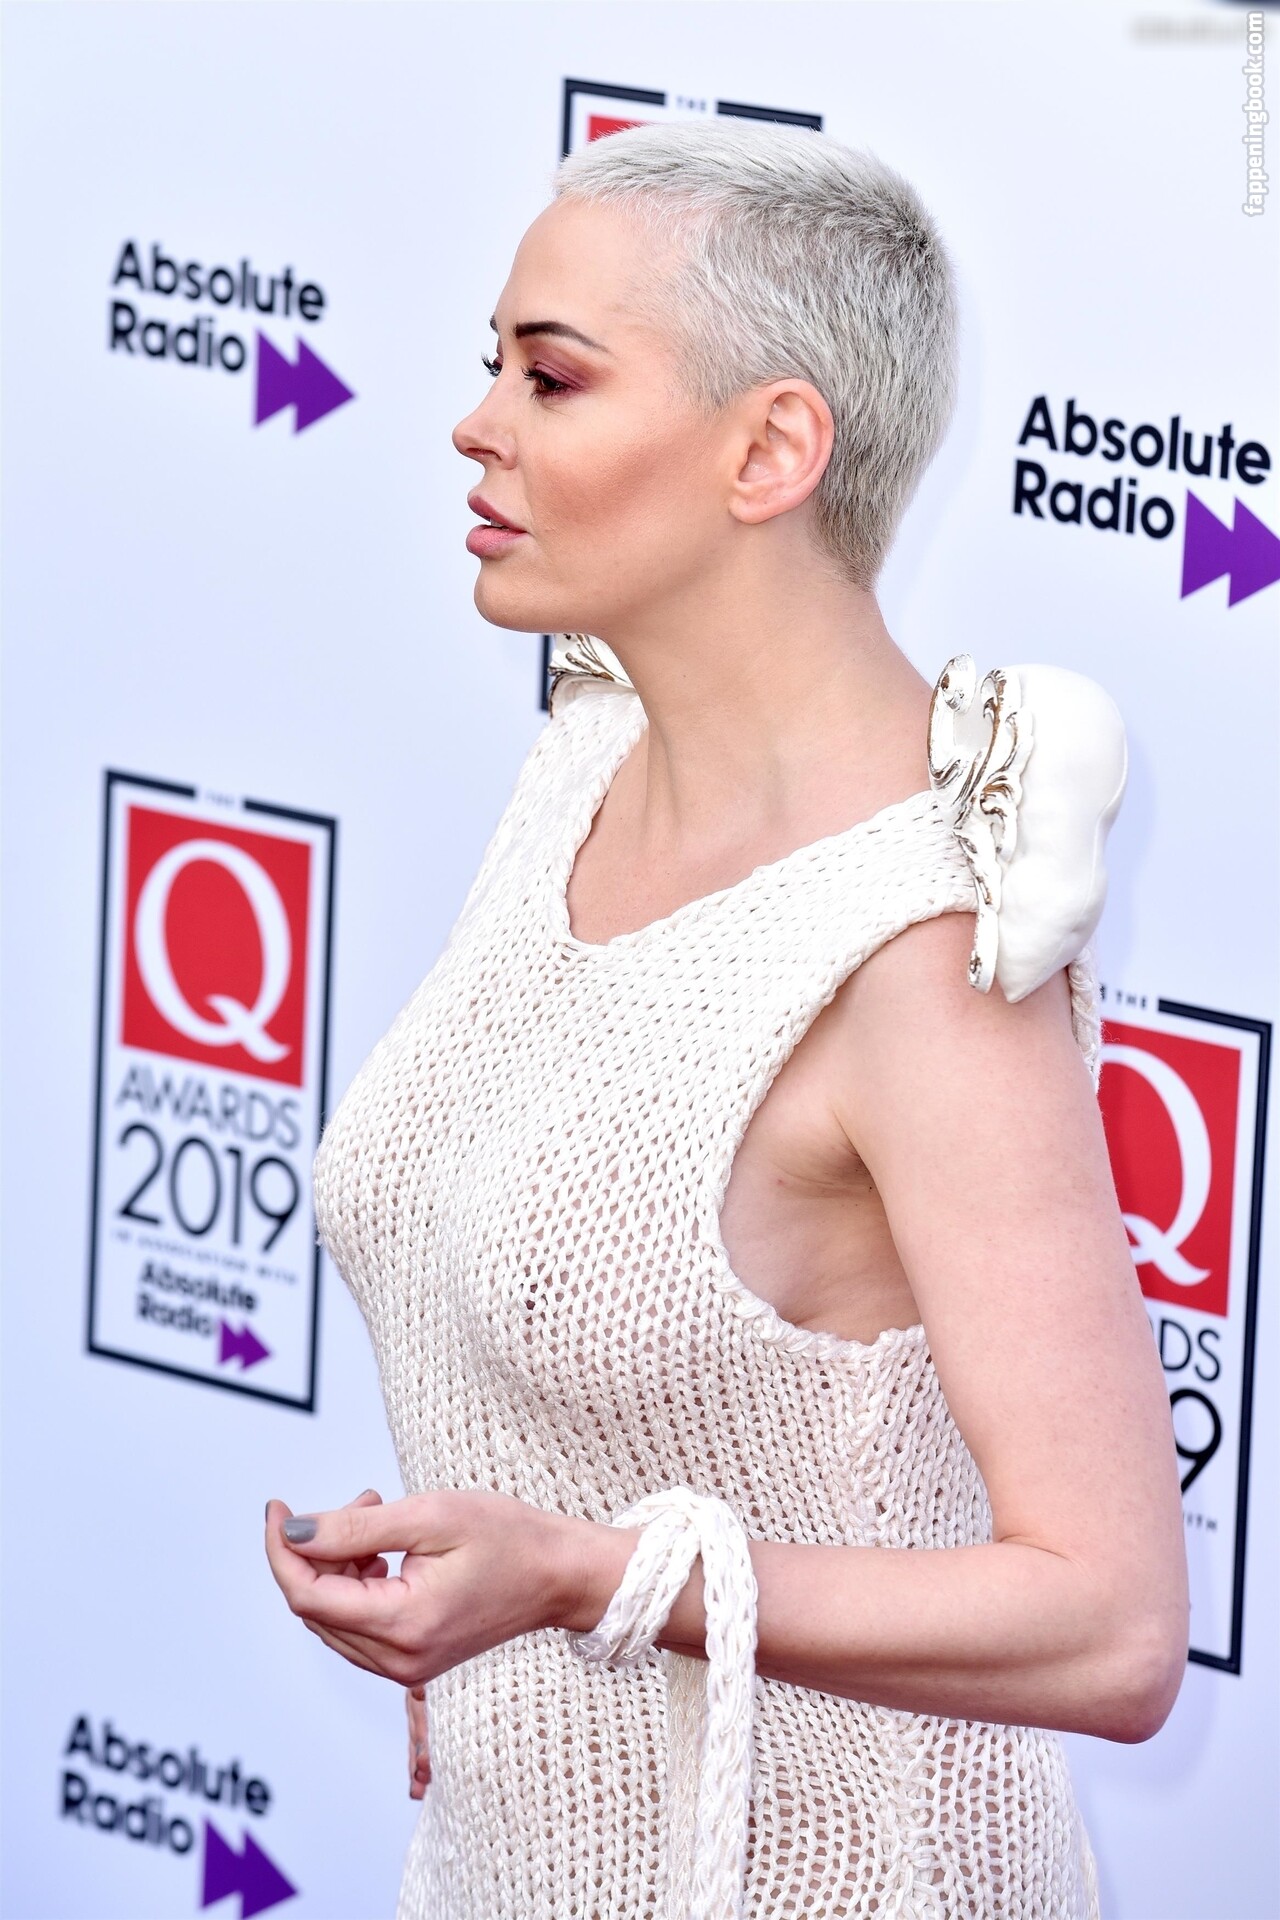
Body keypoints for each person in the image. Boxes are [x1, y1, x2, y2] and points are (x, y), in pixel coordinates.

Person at [264, 118, 1188, 1919]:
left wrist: (578, 1578)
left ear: (770, 449)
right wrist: (497, 1584)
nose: (474, 426)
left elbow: (1114, 1624)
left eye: (551, 378)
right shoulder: (581, 763)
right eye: (490, 365)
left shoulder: (924, 942)